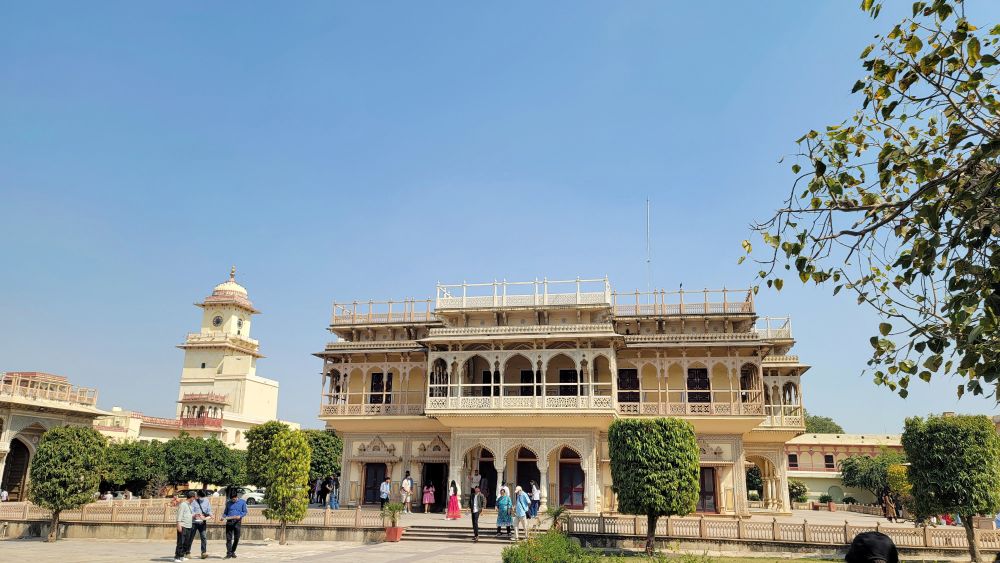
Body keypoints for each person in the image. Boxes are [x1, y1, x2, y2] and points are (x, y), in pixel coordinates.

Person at [219, 489, 247, 559]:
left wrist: (240, 516)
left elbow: (245, 512)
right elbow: (225, 512)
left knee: (236, 538)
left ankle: (233, 551)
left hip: (237, 522)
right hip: (229, 522)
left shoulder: (242, 502)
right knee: (228, 538)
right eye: (231, 499)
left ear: (236, 497)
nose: (232, 500)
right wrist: (223, 517)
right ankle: (229, 553)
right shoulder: (228, 503)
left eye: (234, 499)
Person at [174, 491, 197, 563]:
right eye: (194, 498)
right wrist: (178, 525)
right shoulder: (183, 504)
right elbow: (179, 515)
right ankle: (177, 557)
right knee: (180, 542)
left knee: (186, 542)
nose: (194, 499)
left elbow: (187, 515)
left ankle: (182, 556)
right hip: (183, 525)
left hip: (188, 526)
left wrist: (194, 515)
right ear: (192, 497)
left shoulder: (189, 505)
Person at [189, 490, 212, 559]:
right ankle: (187, 552)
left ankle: (203, 552)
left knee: (204, 537)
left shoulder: (206, 501)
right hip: (194, 522)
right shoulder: (193, 501)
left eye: (203, 497)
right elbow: (191, 511)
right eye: (201, 497)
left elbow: (209, 510)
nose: (202, 498)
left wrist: (211, 515)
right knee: (191, 537)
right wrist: (196, 515)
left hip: (202, 522)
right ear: (198, 496)